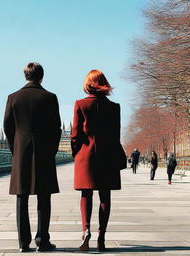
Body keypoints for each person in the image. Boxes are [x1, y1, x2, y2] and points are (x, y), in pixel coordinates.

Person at [3, 62, 61, 252]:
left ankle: (22, 243)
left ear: (25, 76)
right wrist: (51, 150)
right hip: (44, 152)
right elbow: (56, 129)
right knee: (44, 197)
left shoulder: (13, 98)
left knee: (22, 198)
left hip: (21, 152)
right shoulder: (50, 98)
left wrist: (16, 148)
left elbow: (8, 127)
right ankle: (42, 241)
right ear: (41, 76)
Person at [71, 70, 127, 251]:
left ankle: (86, 230)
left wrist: (77, 154)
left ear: (88, 84)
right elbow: (115, 136)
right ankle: (102, 237)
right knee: (105, 197)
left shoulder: (80, 104)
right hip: (108, 156)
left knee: (86, 195)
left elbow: (75, 135)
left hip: (86, 157)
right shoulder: (114, 107)